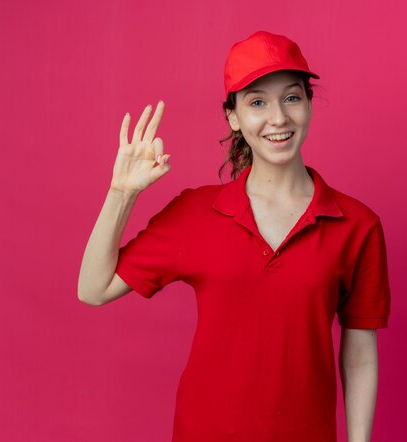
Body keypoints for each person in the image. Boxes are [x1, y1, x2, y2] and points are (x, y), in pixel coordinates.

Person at [78, 30, 391, 442]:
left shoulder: (357, 224)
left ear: (310, 105)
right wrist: (121, 193)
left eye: (292, 97)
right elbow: (93, 288)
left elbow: (359, 355)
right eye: (257, 102)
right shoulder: (194, 213)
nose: (278, 118)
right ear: (233, 117)